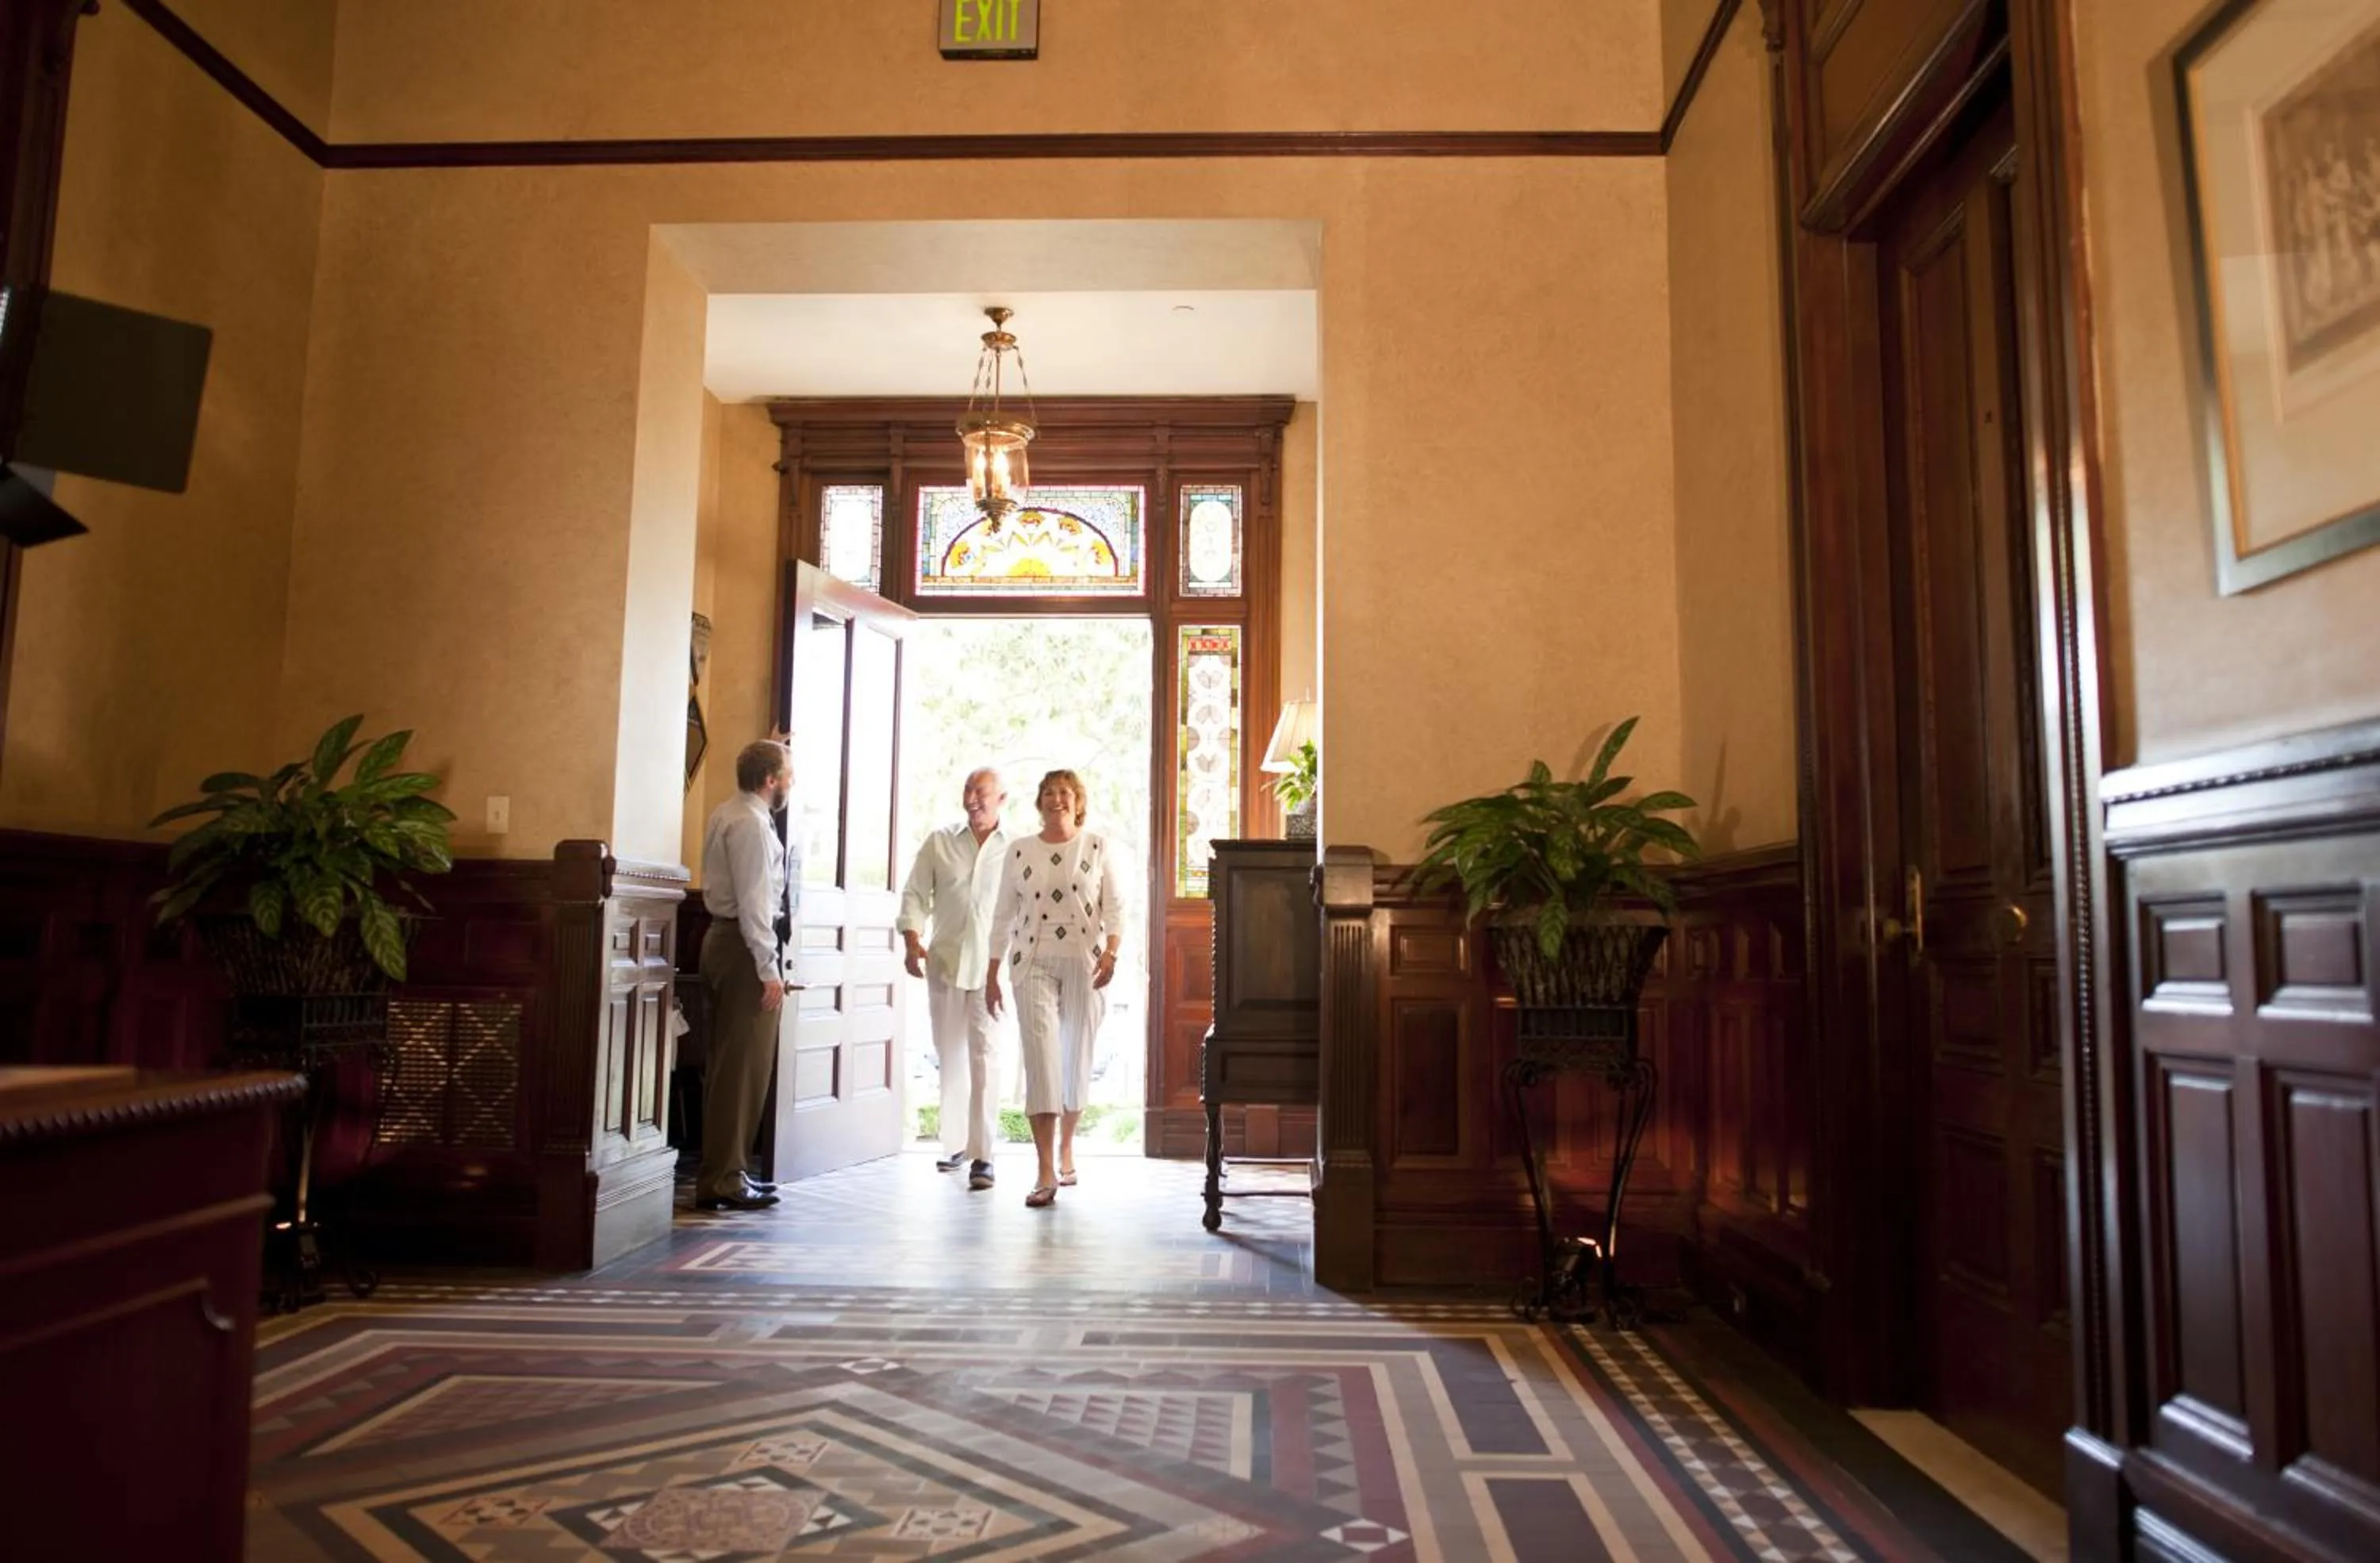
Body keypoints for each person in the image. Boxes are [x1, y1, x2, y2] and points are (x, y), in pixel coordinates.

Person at [985, 769, 1123, 1209]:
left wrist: (1112, 952)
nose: (1056, 799)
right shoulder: (1020, 850)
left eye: (1065, 793)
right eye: (1048, 793)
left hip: (1086, 960)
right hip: (1032, 961)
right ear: (1038, 802)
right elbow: (1003, 913)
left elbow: (1115, 906)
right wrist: (991, 973)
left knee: (1075, 1058)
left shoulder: (1097, 845)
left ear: (1078, 801)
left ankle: (1067, 1146)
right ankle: (1044, 1167)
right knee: (1042, 1062)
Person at [896, 766, 1012, 1191]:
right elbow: (913, 893)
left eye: (981, 792)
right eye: (967, 791)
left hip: (992, 970)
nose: (972, 799)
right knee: (950, 1054)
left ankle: (985, 1155)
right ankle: (956, 1144)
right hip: (945, 963)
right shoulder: (939, 842)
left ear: (1002, 799)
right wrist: (912, 940)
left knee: (986, 1057)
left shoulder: (1016, 849)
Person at [696, 739, 799, 1212]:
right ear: (770, 780)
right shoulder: (754, 827)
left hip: (720, 941)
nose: (792, 782)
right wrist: (768, 969)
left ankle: (722, 1172)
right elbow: (757, 906)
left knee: (725, 1066)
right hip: (742, 949)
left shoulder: (725, 813)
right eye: (788, 774)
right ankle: (726, 1177)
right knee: (742, 1069)